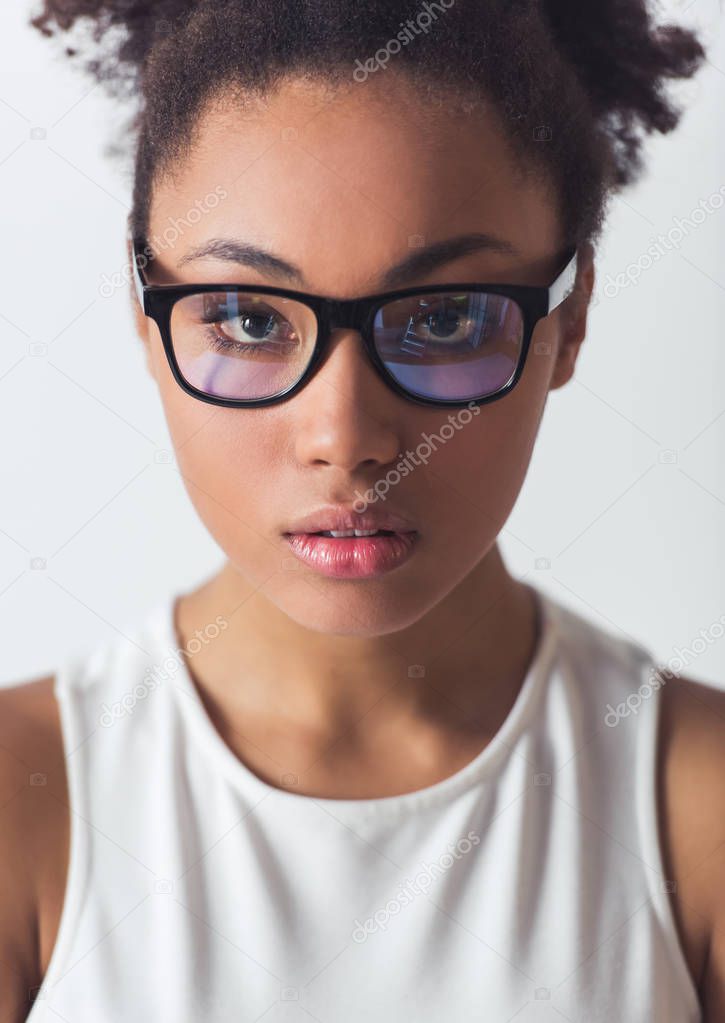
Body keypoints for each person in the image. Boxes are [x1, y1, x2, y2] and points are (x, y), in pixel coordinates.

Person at [2, 0, 722, 1019]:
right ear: (143, 311)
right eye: (250, 319)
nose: (345, 436)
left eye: (440, 318)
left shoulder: (697, 808)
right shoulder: (23, 803)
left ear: (568, 323)